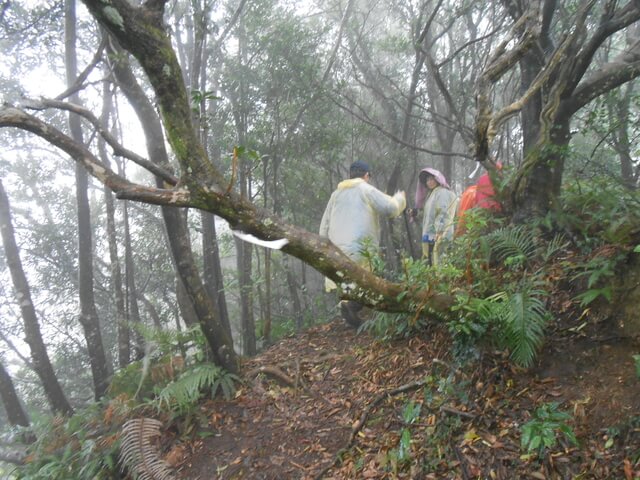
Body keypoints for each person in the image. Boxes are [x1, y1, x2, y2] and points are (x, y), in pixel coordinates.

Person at [319, 160, 406, 327]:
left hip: (337, 250)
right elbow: (389, 208)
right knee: (365, 282)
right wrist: (400, 199)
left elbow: (324, 224)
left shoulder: (336, 194)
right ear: (366, 175)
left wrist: (324, 247)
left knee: (348, 282)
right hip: (360, 248)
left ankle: (351, 314)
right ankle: (351, 306)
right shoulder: (366, 189)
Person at [413, 167, 457, 265]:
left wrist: (440, 231)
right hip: (431, 235)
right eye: (427, 180)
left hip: (439, 234)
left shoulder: (442, 192)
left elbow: (443, 213)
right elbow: (428, 216)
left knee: (441, 260)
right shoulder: (432, 194)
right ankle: (437, 279)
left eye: (432, 179)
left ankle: (443, 280)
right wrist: (416, 213)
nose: (429, 182)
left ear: (437, 179)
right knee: (433, 261)